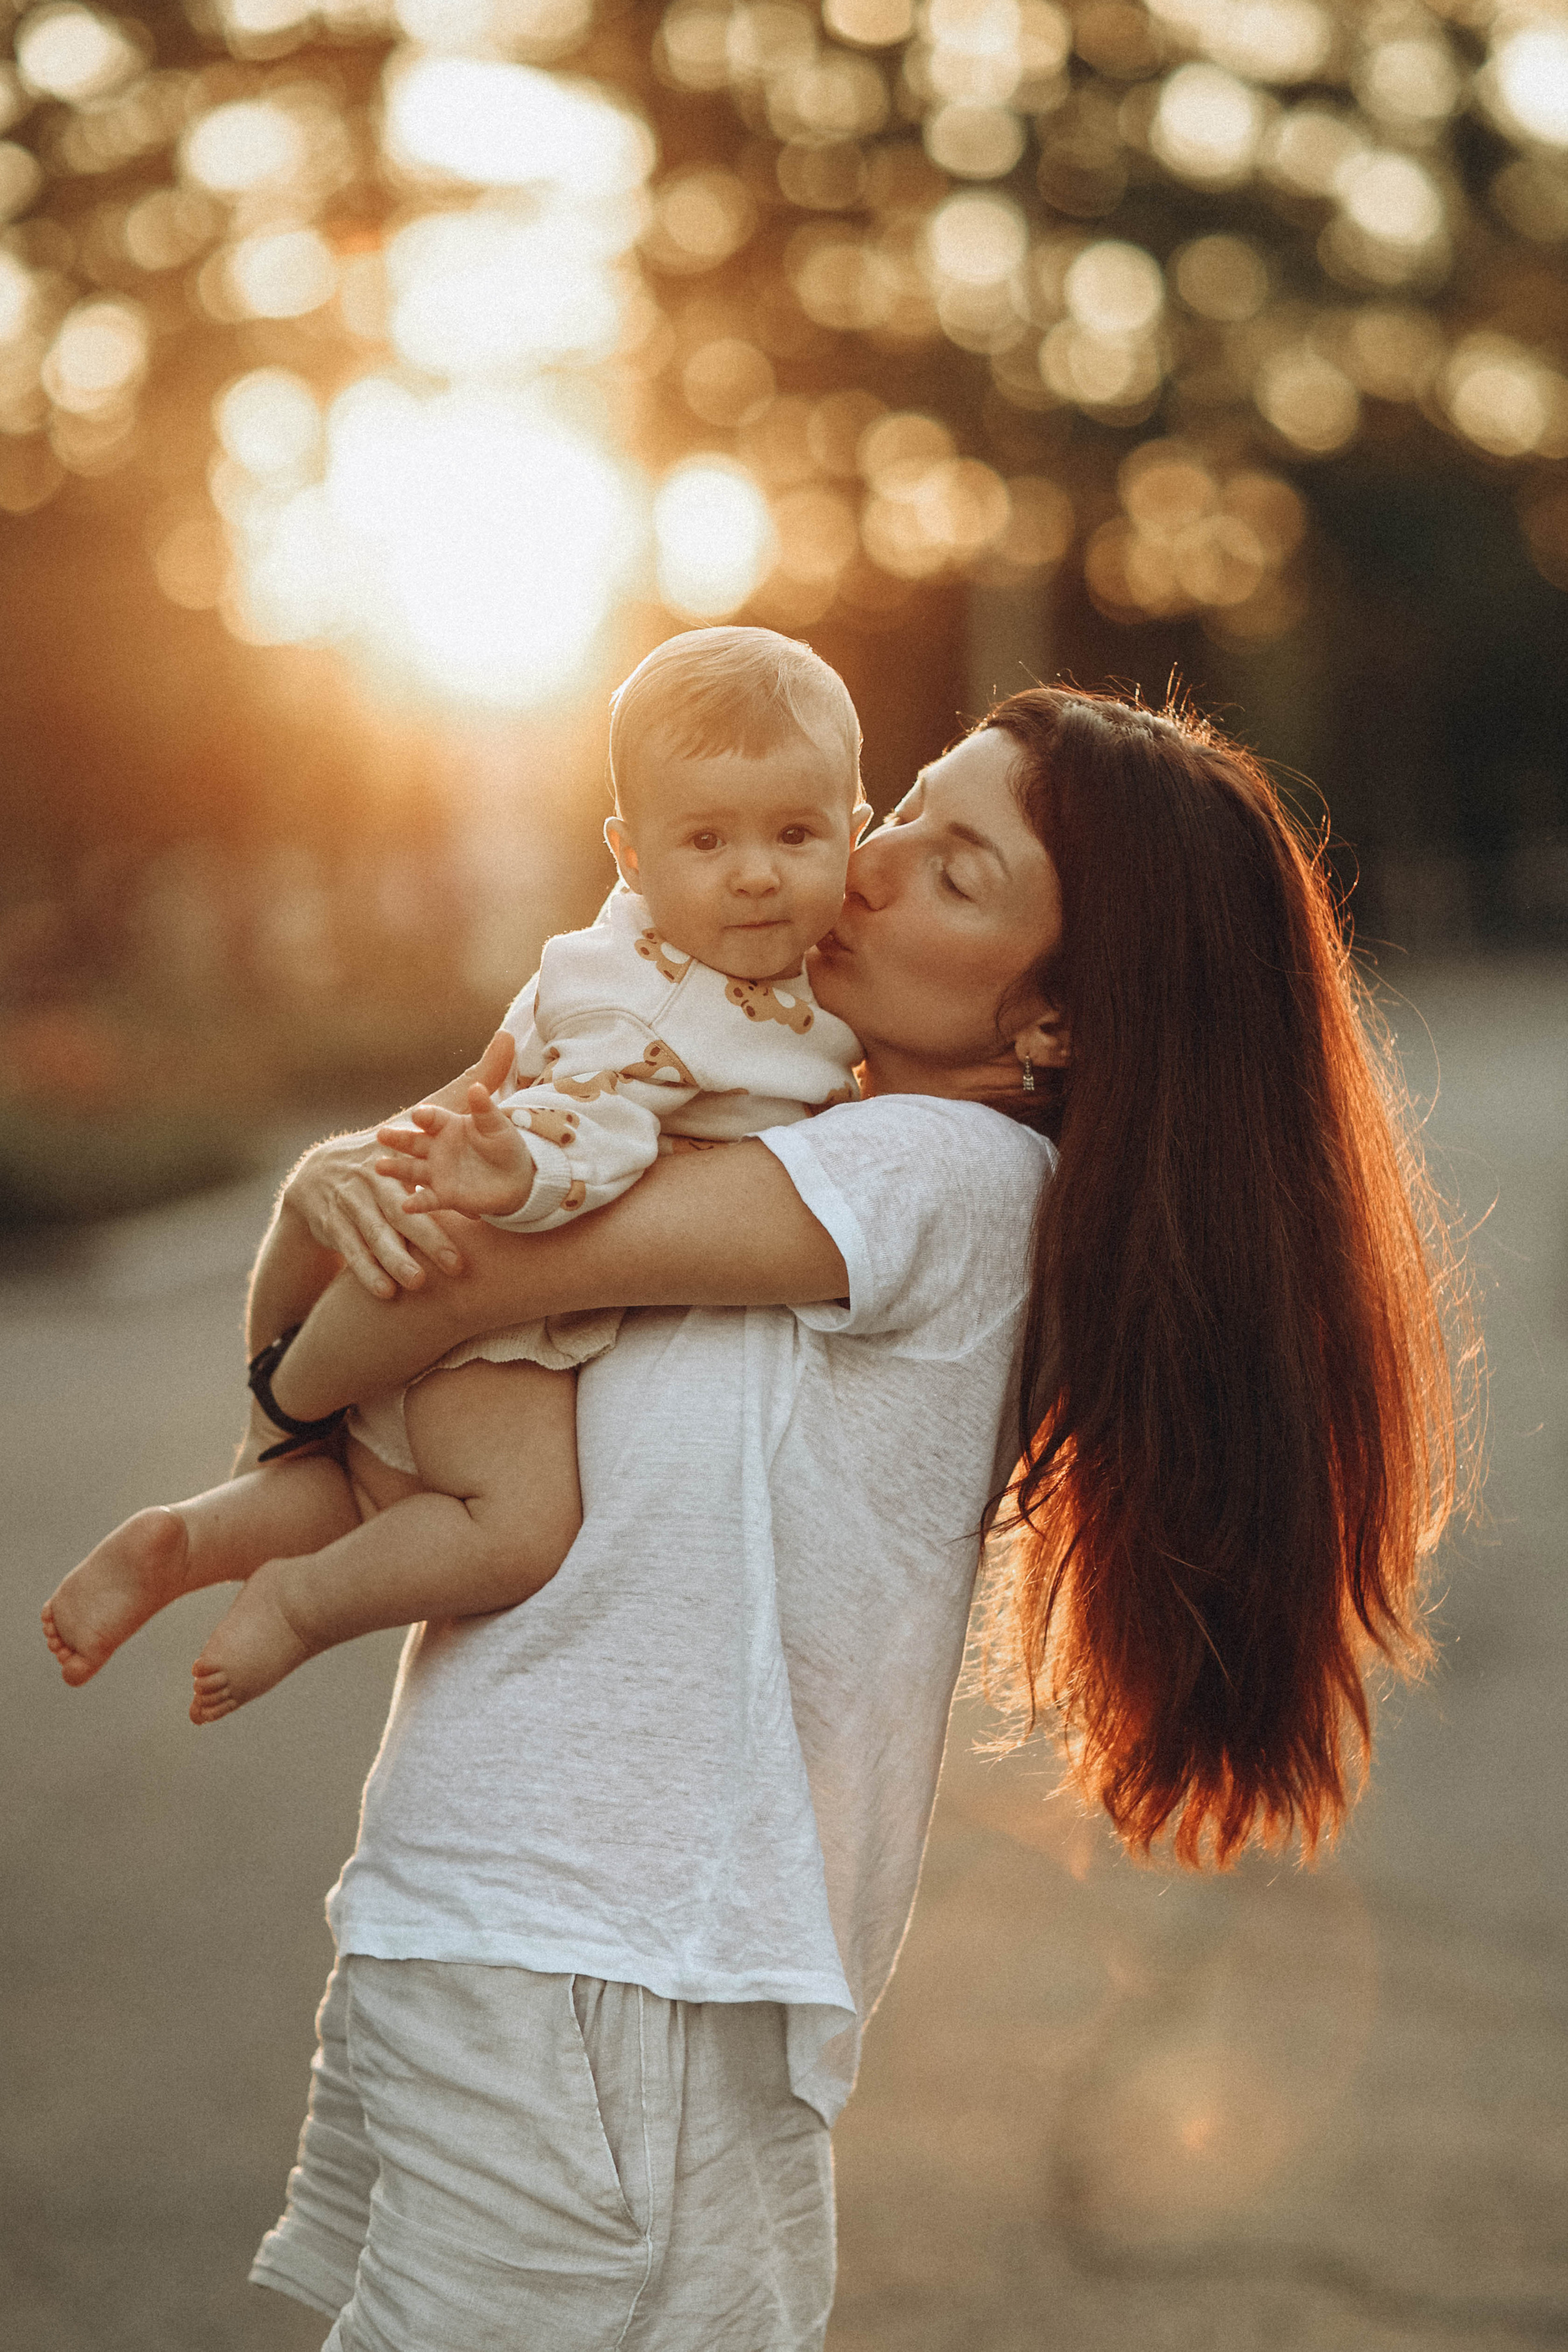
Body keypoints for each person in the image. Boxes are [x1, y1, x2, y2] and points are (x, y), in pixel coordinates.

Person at [100, 688, 1483, 2349]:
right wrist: (334, 1248)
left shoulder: (947, 1180)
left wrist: (298, 1361)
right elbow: (383, 1285)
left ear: (1062, 1025)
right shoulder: (770, 1131)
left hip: (613, 1978)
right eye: (902, 809)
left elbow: (429, 1274)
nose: (870, 865)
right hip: (523, 1938)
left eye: (958, 874)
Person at [40, 626, 869, 1724]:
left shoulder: (700, 957)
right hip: (513, 1288)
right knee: (512, 1528)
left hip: (481, 1274)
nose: (758, 874)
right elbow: (592, 1124)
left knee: (366, 1492)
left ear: (858, 832)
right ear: (631, 856)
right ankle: (300, 1609)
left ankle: (188, 1540)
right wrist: (520, 1171)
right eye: (707, 840)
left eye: (797, 833)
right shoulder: (658, 1005)